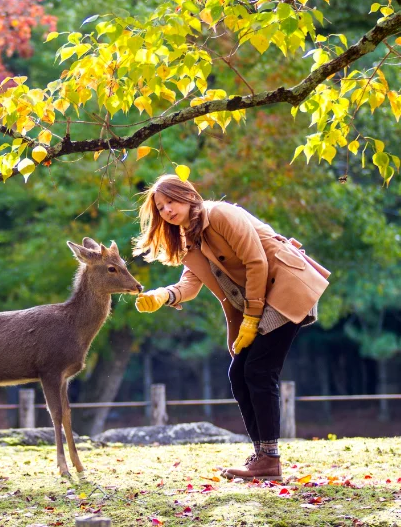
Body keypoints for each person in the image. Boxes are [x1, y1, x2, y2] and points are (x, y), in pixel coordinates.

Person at [133, 174, 331, 481]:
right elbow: (191, 281)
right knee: (239, 373)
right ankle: (263, 456)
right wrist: (165, 295)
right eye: (160, 207)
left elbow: (257, 262)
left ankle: (269, 458)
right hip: (261, 298)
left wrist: (251, 318)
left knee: (259, 371)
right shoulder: (189, 237)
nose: (167, 210)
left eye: (170, 201)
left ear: (187, 195)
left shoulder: (219, 214)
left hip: (285, 286)